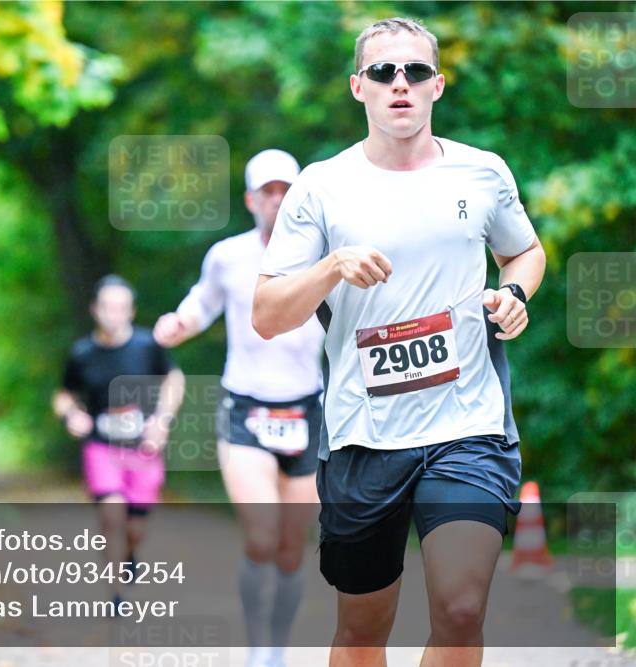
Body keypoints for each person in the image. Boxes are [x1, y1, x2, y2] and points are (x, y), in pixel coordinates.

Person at [252, 17, 546, 667]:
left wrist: (515, 294)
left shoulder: (482, 172)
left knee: (462, 608)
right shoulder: (321, 188)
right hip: (364, 437)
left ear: (437, 85)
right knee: (362, 630)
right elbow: (267, 314)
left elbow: (524, 252)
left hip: (469, 426)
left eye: (415, 71)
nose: (400, 84)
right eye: (384, 72)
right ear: (359, 87)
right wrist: (331, 267)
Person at [154, 149, 325, 667]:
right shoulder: (228, 256)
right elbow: (201, 303)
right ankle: (260, 649)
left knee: (293, 549)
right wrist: (179, 323)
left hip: (306, 411)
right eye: (266, 192)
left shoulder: (324, 256)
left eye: (285, 191)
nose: (276, 201)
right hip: (246, 409)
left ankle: (278, 637)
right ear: (251, 200)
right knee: (262, 535)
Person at [54, 275, 185, 608]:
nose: (115, 314)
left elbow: (174, 379)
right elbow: (63, 395)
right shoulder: (82, 353)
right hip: (102, 445)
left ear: (131, 311)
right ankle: (115, 593)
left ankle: (129, 554)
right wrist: (72, 415)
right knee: (112, 513)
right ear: (95, 310)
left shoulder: (147, 346)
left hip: (142, 447)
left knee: (135, 525)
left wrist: (162, 420)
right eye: (108, 307)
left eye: (122, 308)